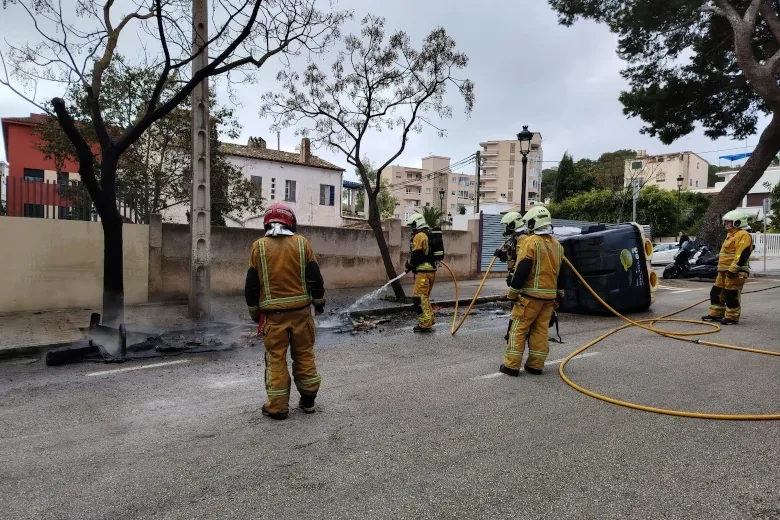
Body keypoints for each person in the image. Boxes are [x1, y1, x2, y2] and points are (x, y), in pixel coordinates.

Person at [245, 203, 326, 420]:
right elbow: (315, 277)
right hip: (301, 313)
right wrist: (318, 303)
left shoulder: (259, 247)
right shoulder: (302, 244)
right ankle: (308, 401)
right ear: (291, 221)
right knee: (304, 355)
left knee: (276, 359)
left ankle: (277, 408)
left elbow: (251, 285)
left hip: (273, 317)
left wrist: (255, 313)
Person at [500, 205, 564, 376]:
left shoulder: (530, 242)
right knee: (540, 330)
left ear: (534, 222)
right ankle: (535, 365)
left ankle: (511, 366)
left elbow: (522, 270)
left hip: (530, 297)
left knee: (518, 328)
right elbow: (561, 273)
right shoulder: (557, 245)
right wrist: (560, 294)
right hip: (549, 298)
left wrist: (512, 293)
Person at [702, 210, 753, 325]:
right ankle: (716, 314)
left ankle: (732, 317)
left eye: (728, 222)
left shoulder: (743, 235)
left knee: (731, 294)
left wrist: (733, 269)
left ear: (737, 222)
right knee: (716, 292)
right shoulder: (731, 235)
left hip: (735, 272)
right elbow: (726, 255)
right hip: (724, 271)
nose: (725, 224)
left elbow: (742, 254)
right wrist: (720, 268)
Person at [495, 211, 529, 341]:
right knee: (516, 305)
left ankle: (516, 332)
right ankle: (517, 331)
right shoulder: (515, 238)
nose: (506, 228)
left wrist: (515, 277)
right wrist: (501, 255)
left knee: (519, 306)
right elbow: (512, 257)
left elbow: (522, 261)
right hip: (514, 275)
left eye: (508, 225)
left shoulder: (523, 238)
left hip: (519, 278)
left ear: (513, 224)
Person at [405, 213, 437, 333]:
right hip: (431, 271)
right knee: (425, 298)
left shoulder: (419, 236)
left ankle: (425, 324)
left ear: (417, 223)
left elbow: (416, 256)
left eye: (412, 225)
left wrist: (408, 264)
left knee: (418, 298)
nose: (411, 228)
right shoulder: (429, 234)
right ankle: (430, 319)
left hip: (423, 273)